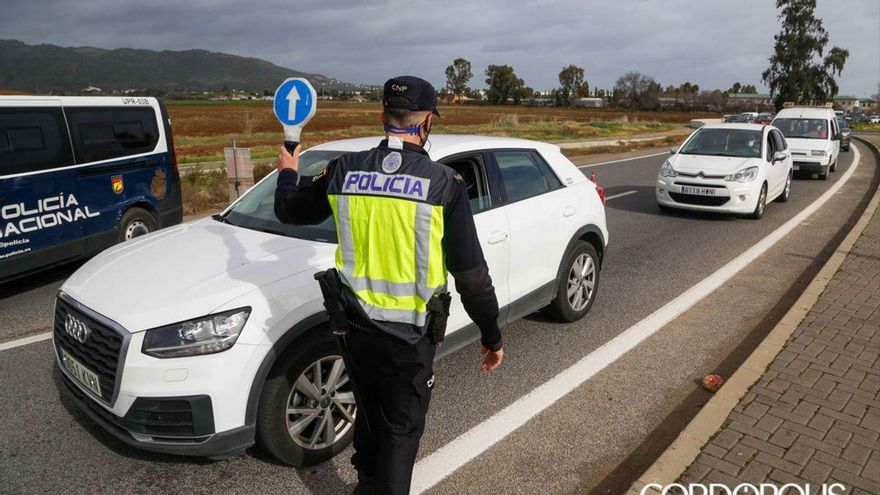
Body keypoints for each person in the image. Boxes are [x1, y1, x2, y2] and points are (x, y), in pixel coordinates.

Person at [274, 75, 504, 495]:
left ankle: (366, 483)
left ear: (383, 116)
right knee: (401, 433)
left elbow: (289, 210)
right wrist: (491, 335)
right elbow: (472, 278)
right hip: (409, 340)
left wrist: (288, 170)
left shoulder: (344, 170)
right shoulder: (444, 186)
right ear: (427, 123)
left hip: (354, 332)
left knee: (369, 408)